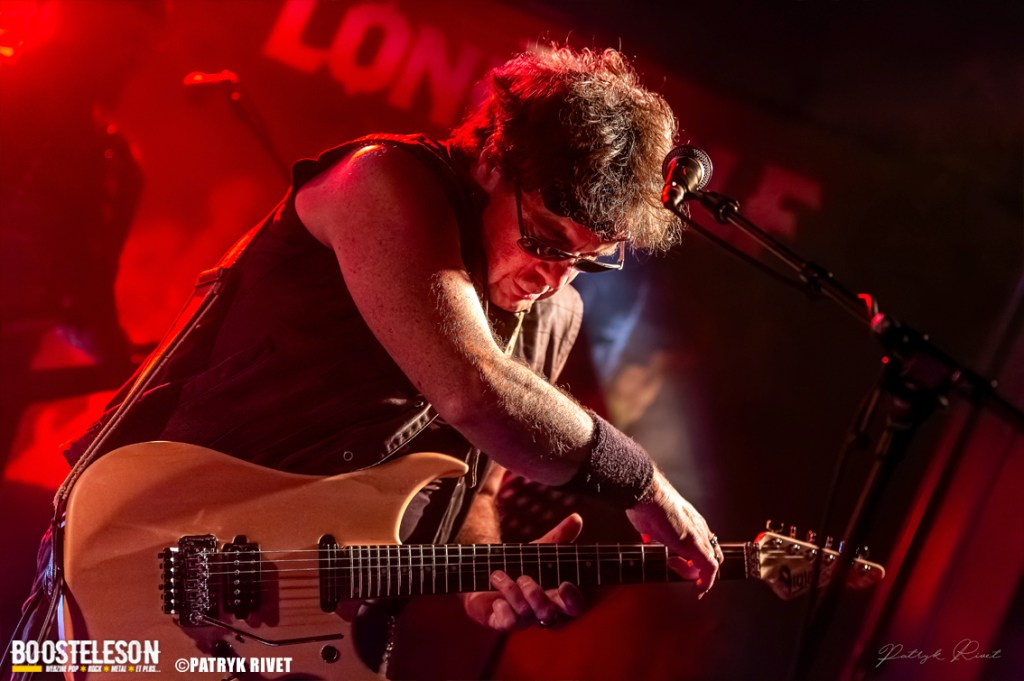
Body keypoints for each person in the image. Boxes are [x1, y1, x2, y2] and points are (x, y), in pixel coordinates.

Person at [10, 45, 722, 678]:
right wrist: (642, 481)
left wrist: (486, 574)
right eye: (542, 239)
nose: (554, 278)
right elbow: (474, 391)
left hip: (293, 637)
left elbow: (475, 485)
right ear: (493, 158)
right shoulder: (382, 183)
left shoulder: (555, 315)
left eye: (584, 261)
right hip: (145, 552)